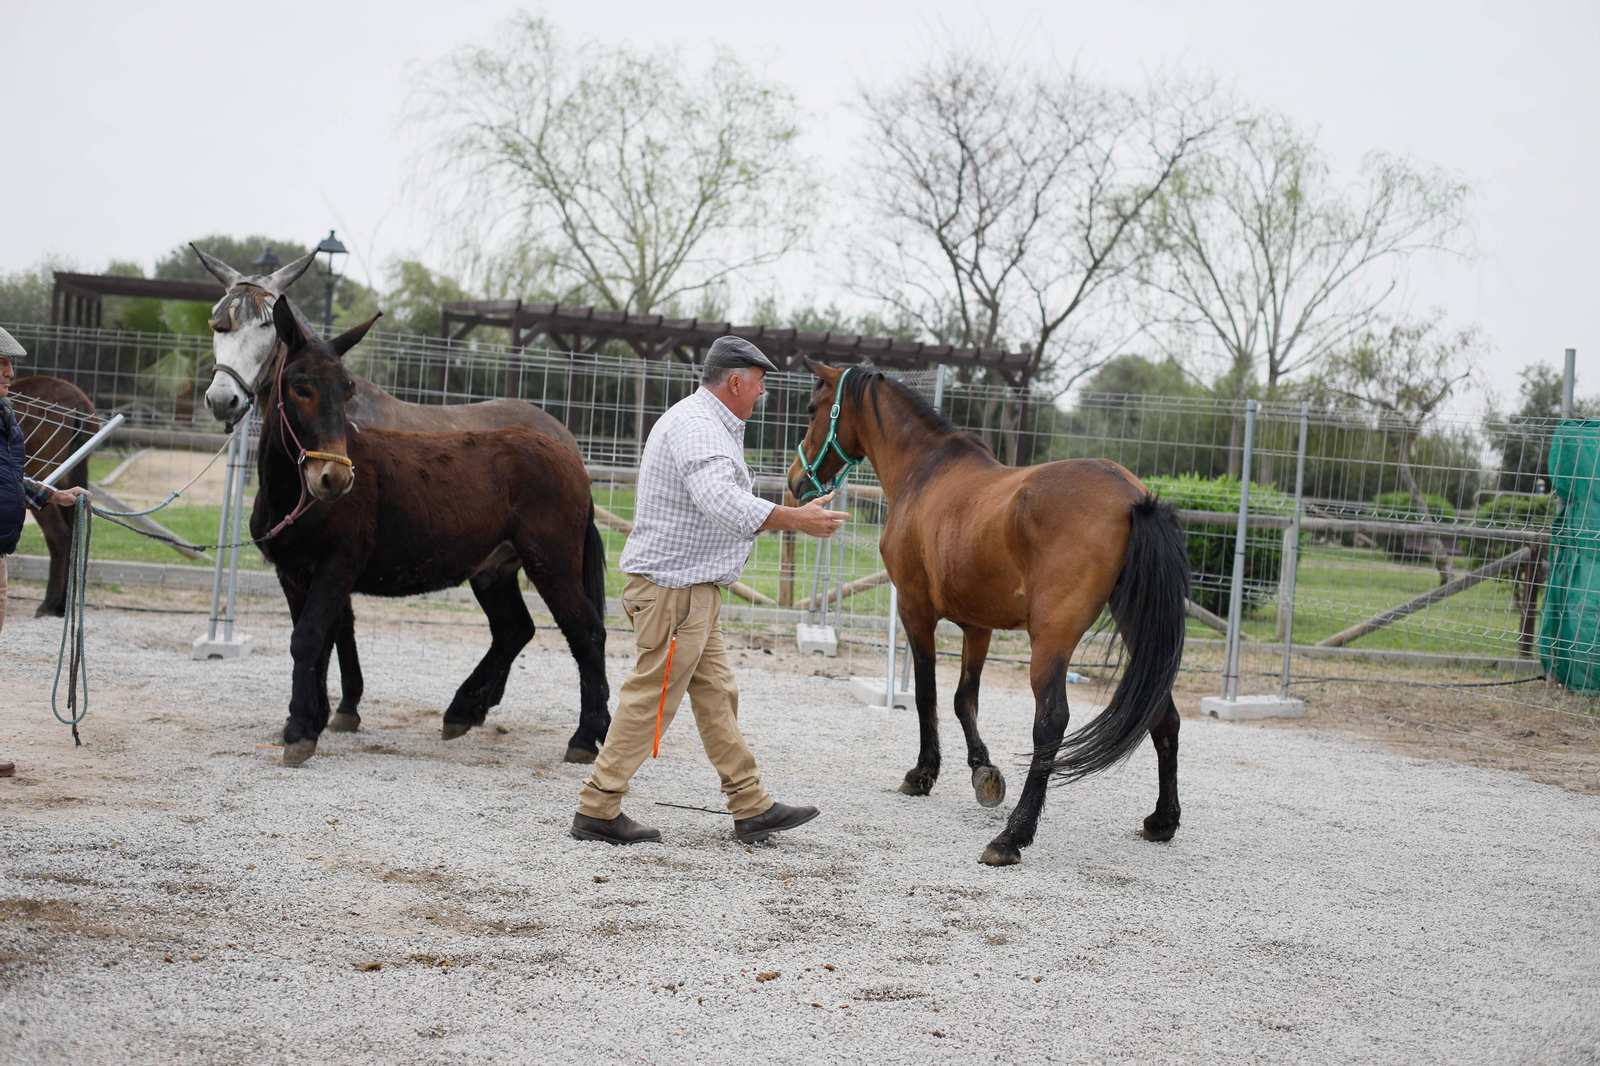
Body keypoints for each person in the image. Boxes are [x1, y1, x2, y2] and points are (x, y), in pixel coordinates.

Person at [573, 336, 850, 845]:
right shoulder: (699, 426)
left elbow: (722, 496)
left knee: (718, 697)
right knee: (649, 700)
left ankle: (750, 806)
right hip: (675, 593)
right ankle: (597, 806)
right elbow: (721, 501)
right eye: (761, 384)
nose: (763, 393)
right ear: (736, 380)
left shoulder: (705, 423)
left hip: (689, 592)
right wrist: (796, 519)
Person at [0, 327, 91, 778]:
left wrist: (50, 495)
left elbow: (10, 478)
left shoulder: (6, 418)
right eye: (3, 365)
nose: (11, 373)